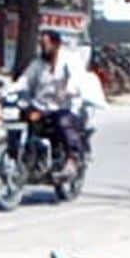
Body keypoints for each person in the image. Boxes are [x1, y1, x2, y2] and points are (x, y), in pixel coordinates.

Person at [12, 30, 86, 162]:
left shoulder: (68, 60)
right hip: (41, 107)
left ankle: (73, 158)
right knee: (21, 116)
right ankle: (27, 154)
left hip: (63, 106)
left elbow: (77, 78)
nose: (43, 47)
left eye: (46, 44)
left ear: (56, 44)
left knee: (63, 122)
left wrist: (69, 89)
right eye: (41, 44)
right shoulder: (38, 64)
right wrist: (7, 91)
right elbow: (25, 80)